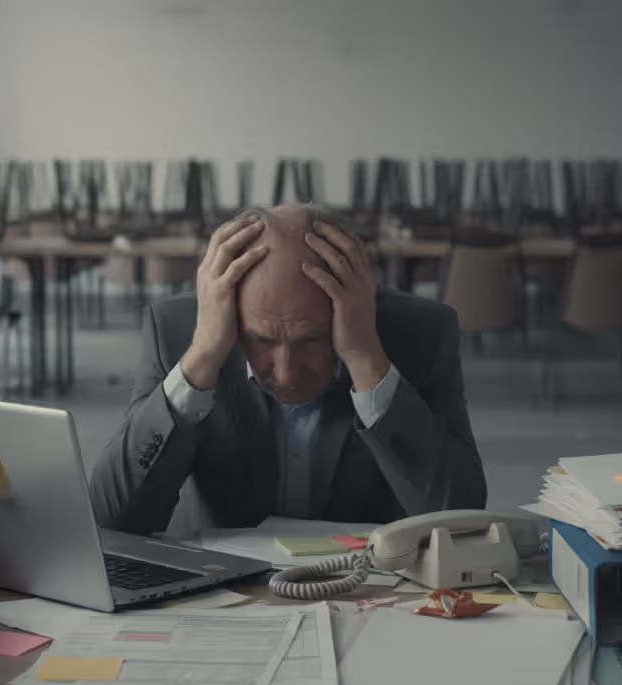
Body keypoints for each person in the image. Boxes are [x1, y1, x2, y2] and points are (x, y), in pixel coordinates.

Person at [90, 204, 486, 535]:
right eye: (262, 341)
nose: (286, 373)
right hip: (225, 593)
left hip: (367, 591)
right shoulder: (178, 333)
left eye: (311, 340)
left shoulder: (418, 335)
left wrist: (368, 362)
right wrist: (203, 358)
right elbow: (112, 521)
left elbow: (460, 520)